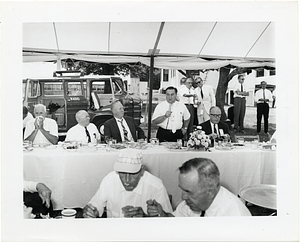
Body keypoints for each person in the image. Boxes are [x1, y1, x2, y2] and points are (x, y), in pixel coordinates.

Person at [83, 149, 173, 218]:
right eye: (122, 173)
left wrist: (146, 217)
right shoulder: (110, 180)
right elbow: (96, 204)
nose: (126, 180)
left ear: (142, 171)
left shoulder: (156, 186)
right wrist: (92, 211)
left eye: (132, 174)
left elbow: (169, 223)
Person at [147, 158, 251, 217]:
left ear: (210, 191)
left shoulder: (234, 216)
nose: (183, 197)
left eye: (189, 192)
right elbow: (176, 220)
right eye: (182, 189)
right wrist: (162, 214)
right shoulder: (193, 203)